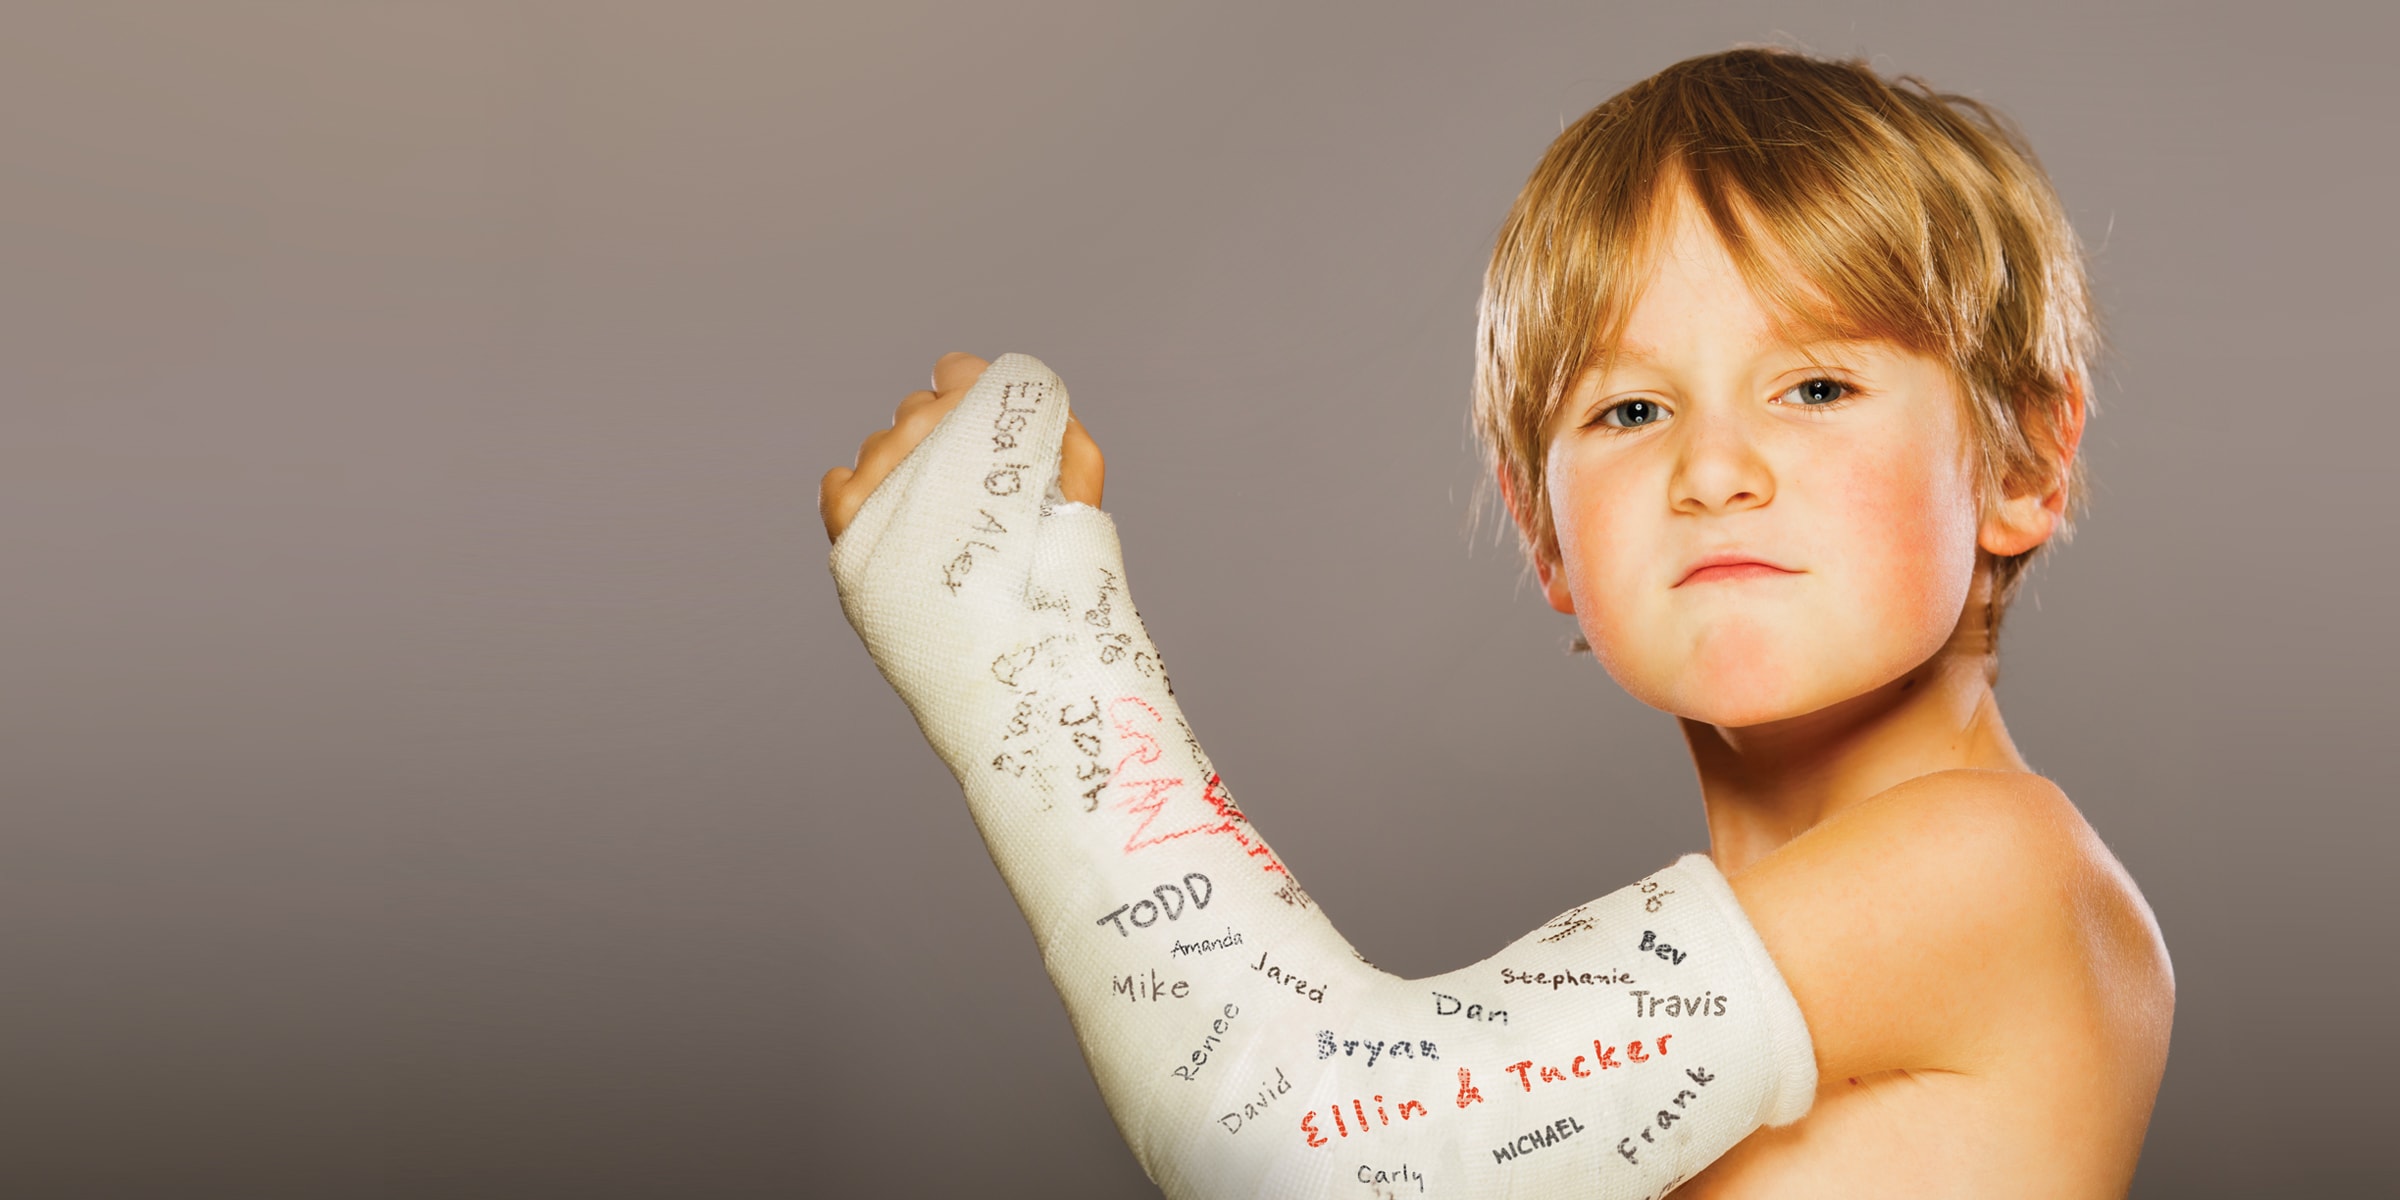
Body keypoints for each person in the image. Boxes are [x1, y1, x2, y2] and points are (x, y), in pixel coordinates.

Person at [819, 47, 2172, 1197]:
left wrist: (1023, 635)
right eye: (1629, 411)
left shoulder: (1996, 869)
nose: (1714, 470)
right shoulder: (1800, 958)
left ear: (2021, 465)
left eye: (1814, 386)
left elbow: (1317, 1144)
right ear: (1548, 540)